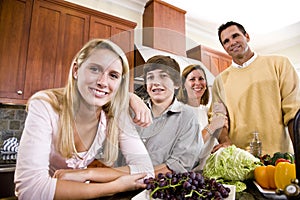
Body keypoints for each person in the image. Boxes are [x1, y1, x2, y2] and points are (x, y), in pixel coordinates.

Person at [14, 39, 154, 200]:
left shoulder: (114, 115)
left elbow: (146, 171)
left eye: (113, 75)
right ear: (76, 70)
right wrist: (114, 186)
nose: (102, 82)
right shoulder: (46, 106)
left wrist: (87, 173)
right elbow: (30, 190)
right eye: (94, 69)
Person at [211, 21, 300, 155]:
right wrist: (225, 141)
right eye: (226, 41)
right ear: (224, 47)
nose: (232, 42)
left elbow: (294, 112)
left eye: (235, 36)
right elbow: (219, 117)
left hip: (278, 158)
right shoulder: (220, 81)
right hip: (240, 162)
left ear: (247, 36)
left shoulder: (279, 64)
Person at [136, 55, 203, 176]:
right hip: (121, 187)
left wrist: (132, 177)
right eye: (150, 77)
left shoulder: (188, 117)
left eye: (163, 76)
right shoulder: (134, 112)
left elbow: (179, 165)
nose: (156, 83)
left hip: (159, 189)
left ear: (176, 84)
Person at [177, 64, 228, 170]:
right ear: (183, 86)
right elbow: (189, 147)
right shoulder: (179, 111)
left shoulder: (206, 110)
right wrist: (213, 126)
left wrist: (226, 142)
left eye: (201, 79)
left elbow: (220, 135)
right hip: (191, 173)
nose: (197, 83)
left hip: (210, 170)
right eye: (192, 79)